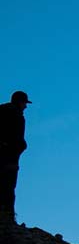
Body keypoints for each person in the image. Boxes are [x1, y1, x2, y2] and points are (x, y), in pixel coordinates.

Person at [0, 90, 31, 228]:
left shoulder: (1, 111)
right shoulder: (17, 116)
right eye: (25, 103)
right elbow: (18, 140)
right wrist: (20, 147)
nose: (26, 106)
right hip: (9, 159)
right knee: (8, 188)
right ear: (20, 102)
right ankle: (7, 220)